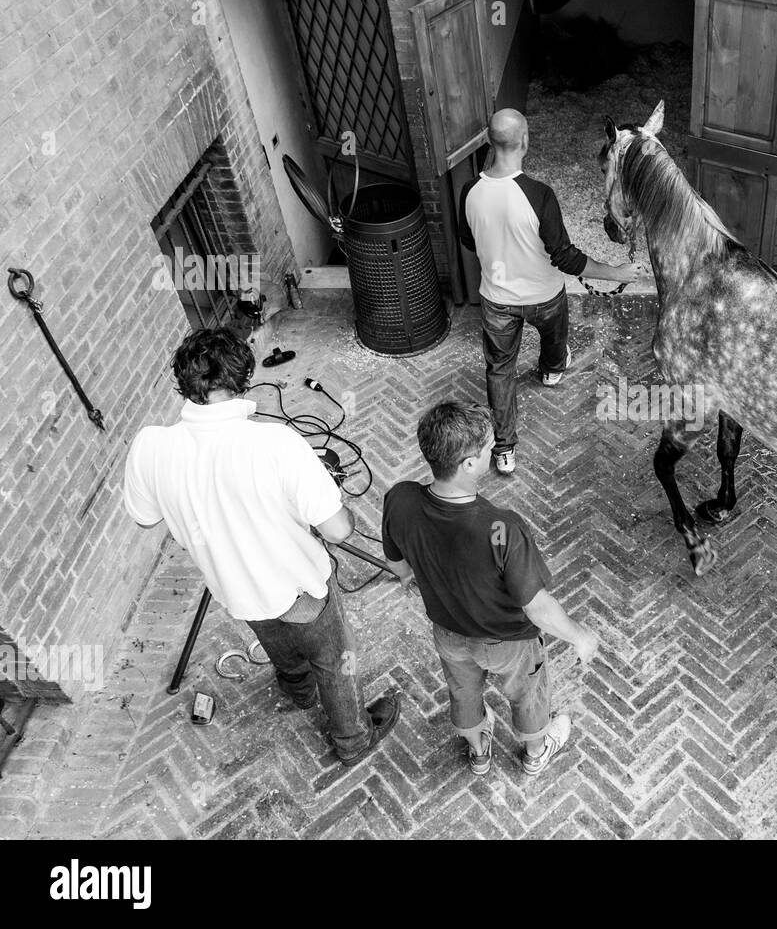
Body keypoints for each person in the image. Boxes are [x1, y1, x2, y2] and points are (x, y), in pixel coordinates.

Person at [122, 327, 399, 766]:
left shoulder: (149, 445)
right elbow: (338, 531)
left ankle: (299, 691)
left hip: (234, 591)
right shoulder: (275, 442)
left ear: (184, 382)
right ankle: (352, 739)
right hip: (299, 587)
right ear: (243, 379)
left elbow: (144, 516)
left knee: (280, 646)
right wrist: (333, 501)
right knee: (334, 660)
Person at [382, 400, 598, 776]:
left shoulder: (399, 499)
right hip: (508, 644)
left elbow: (398, 565)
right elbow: (536, 607)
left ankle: (479, 749)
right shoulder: (502, 528)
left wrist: (410, 575)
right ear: (468, 464)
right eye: (487, 450)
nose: (492, 453)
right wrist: (579, 636)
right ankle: (535, 751)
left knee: (463, 691)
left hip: (448, 633)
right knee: (528, 694)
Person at [459, 107, 647, 475]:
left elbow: (468, 240)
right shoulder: (540, 195)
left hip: (496, 301)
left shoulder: (469, 191)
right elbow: (565, 257)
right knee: (554, 339)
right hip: (544, 297)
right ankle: (550, 370)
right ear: (525, 141)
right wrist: (617, 272)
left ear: (488, 141)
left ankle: (505, 449)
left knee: (499, 370)